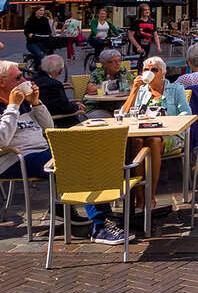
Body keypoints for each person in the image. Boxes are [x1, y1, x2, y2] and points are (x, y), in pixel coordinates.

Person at [0, 60, 132, 244]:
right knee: (75, 162)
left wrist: (36, 103)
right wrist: (12, 107)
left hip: (41, 150)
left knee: (88, 153)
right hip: (14, 158)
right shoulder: (13, 105)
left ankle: (77, 211)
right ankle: (101, 225)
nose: (25, 80)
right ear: (1, 82)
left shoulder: (23, 102)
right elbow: (2, 140)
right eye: (18, 77)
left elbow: (49, 126)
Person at [120, 56, 190, 210]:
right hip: (142, 133)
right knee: (137, 142)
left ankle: (150, 195)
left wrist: (167, 124)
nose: (149, 72)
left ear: (163, 73)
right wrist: (133, 91)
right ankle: (139, 197)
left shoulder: (176, 89)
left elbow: (186, 113)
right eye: (146, 70)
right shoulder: (141, 90)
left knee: (153, 141)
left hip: (169, 135)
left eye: (154, 70)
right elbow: (122, 115)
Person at [33, 54, 84, 126]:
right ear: (60, 71)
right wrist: (77, 107)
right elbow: (65, 107)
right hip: (55, 120)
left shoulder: (34, 79)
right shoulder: (55, 84)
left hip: (38, 118)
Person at [128, 3, 161, 70]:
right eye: (145, 10)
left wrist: (158, 46)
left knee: (145, 61)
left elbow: (155, 35)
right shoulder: (136, 22)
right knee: (138, 62)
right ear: (141, 12)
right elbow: (130, 35)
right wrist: (137, 46)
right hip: (138, 44)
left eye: (148, 9)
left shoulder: (152, 22)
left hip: (147, 44)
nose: (147, 11)